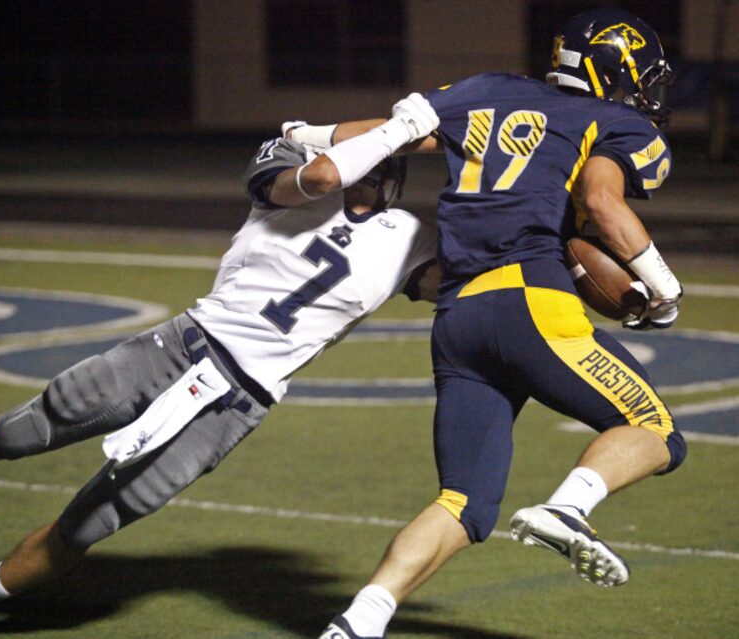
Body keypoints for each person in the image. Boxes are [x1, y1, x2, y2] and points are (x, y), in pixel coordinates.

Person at [0, 104, 441, 638]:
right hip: (177, 349)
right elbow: (325, 175)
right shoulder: (293, 163)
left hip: (235, 404)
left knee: (93, 522)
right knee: (18, 432)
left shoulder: (411, 237)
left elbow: (452, 285)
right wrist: (403, 128)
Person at [290, 9, 689, 638]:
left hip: (459, 317)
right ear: (619, 69)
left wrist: (306, 134)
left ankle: (357, 624)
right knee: (653, 429)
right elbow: (600, 201)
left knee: (464, 504)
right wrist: (664, 291)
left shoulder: (486, 90)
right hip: (531, 302)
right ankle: (570, 507)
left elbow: (384, 134)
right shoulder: (614, 120)